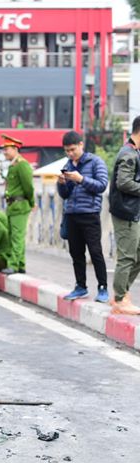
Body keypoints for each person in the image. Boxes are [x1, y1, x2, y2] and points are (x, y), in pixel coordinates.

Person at [57, 130, 109, 302]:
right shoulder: (68, 164)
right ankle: (80, 286)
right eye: (67, 151)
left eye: (72, 149)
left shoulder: (95, 162)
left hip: (90, 214)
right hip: (71, 214)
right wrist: (62, 184)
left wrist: (81, 179)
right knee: (76, 253)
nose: (70, 154)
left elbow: (102, 185)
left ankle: (103, 287)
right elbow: (65, 194)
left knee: (95, 252)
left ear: (81, 145)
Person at [108, 115, 140, 314]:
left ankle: (122, 293)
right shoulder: (128, 154)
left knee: (137, 255)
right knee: (127, 256)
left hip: (132, 211)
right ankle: (120, 299)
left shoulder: (134, 152)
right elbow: (124, 182)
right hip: (126, 213)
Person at [0, 135, 35, 274]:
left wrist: (31, 202)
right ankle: (20, 264)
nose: (4, 152)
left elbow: (28, 187)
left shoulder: (22, 164)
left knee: (17, 237)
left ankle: (13, 264)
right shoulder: (13, 165)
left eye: (7, 149)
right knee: (13, 235)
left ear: (15, 149)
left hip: (20, 205)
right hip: (12, 206)